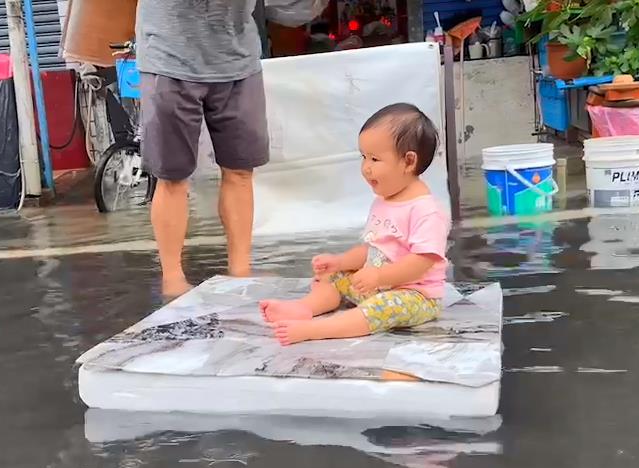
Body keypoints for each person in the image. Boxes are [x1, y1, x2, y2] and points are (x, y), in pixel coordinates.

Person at [259, 103, 450, 345]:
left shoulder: (426, 211)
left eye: (374, 159)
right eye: (363, 157)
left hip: (414, 295)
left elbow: (421, 262)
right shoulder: (384, 200)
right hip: (377, 284)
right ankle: (304, 308)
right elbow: (372, 250)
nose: (366, 167)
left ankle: (315, 329)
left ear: (408, 162)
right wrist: (340, 261)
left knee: (379, 308)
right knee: (333, 276)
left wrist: (379, 276)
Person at [137, 1, 269, 296]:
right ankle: (172, 276)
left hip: (238, 59)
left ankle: (241, 269)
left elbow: (295, 11)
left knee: (240, 169)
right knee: (172, 176)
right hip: (170, 58)